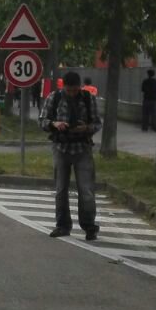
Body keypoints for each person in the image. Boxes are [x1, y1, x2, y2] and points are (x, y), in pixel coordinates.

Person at [41, 71, 102, 240]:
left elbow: (97, 123)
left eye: (75, 90)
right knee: (61, 189)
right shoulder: (54, 98)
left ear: (79, 87)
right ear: (64, 87)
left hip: (82, 147)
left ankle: (89, 226)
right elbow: (42, 120)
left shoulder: (88, 99)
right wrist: (55, 124)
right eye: (69, 90)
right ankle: (62, 225)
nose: (72, 94)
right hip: (61, 148)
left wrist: (86, 128)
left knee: (86, 190)